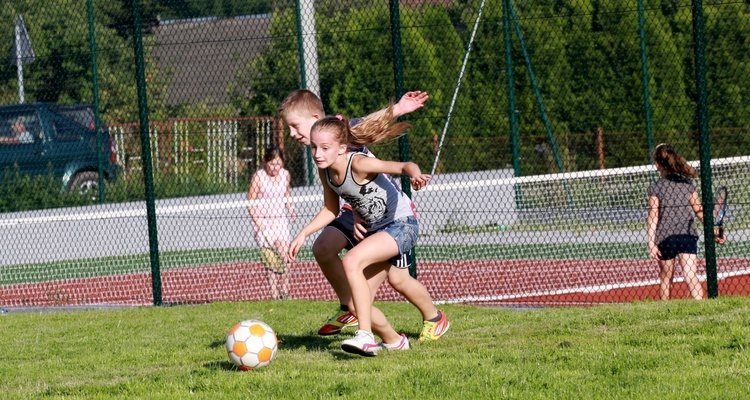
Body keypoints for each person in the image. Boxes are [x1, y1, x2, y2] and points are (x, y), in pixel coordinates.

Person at [279, 90, 449, 342]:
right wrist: (306, 231)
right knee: (325, 249)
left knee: (398, 279)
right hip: (363, 214)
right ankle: (352, 310)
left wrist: (399, 108)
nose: (292, 134)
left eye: (294, 126)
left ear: (315, 117)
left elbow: (369, 124)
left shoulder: (345, 135)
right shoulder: (322, 156)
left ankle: (432, 317)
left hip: (392, 218)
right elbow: (334, 203)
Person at [647, 143, 725, 301]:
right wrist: (713, 230)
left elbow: (653, 216)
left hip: (665, 238)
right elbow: (699, 212)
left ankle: (664, 313)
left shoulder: (656, 187)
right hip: (687, 236)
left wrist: (651, 242)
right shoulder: (687, 184)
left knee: (666, 279)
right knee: (691, 276)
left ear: (657, 164)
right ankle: (701, 308)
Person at [247, 146, 298, 300]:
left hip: (280, 220)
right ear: (265, 162)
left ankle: (284, 290)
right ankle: (274, 295)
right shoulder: (259, 177)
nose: (275, 167)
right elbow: (250, 202)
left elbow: (286, 193)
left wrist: (291, 209)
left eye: (278, 163)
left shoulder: (285, 175)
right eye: (271, 163)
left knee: (286, 255)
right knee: (271, 259)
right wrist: (258, 222)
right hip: (263, 223)